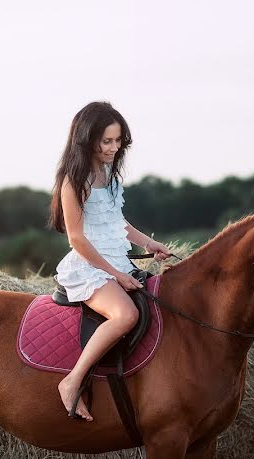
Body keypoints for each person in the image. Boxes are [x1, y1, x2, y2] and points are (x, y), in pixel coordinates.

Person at [47, 101, 172, 421]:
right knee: (125, 314)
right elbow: (76, 238)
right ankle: (72, 382)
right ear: (88, 139)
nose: (114, 148)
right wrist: (116, 274)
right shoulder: (73, 183)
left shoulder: (108, 176)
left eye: (118, 141)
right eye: (107, 141)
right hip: (89, 266)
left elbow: (120, 224)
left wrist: (151, 243)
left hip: (115, 260)